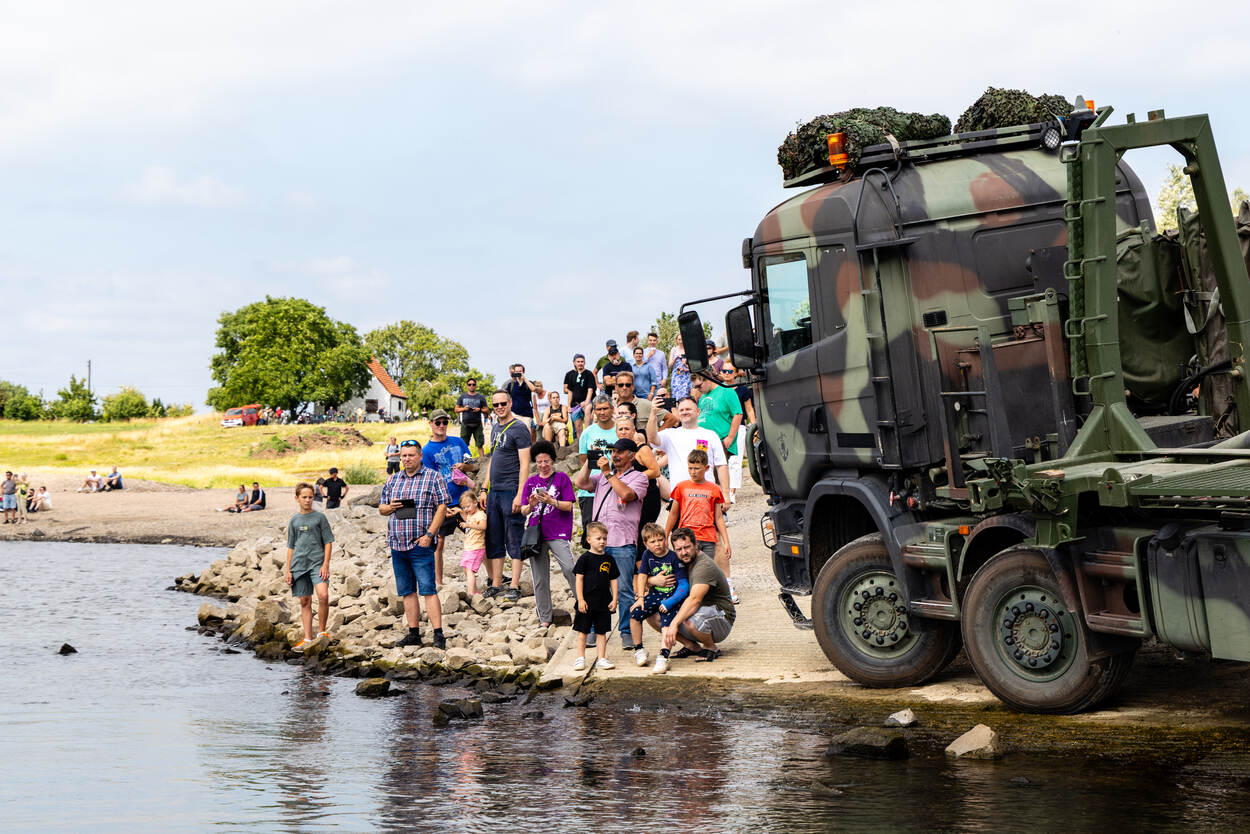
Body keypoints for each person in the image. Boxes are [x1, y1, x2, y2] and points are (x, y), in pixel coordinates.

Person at [573, 437, 648, 650]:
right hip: (599, 544)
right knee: (594, 588)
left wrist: (608, 473)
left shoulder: (639, 477)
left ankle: (626, 631)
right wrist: (590, 461)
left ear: (632, 456)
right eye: (613, 451)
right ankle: (593, 629)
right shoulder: (601, 476)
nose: (615, 455)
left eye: (620, 452)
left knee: (624, 589)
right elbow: (581, 483)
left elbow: (626, 494)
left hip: (623, 541)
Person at [379, 438, 450, 649]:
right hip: (397, 544)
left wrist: (430, 535)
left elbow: (442, 507)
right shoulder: (393, 480)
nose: (407, 459)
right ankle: (413, 633)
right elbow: (382, 508)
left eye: (411, 455)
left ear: (420, 456)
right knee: (407, 591)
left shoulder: (433, 477)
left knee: (428, 590)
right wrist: (390, 507)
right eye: (404, 456)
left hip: (421, 544)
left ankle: (438, 635)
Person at [519, 440, 577, 626]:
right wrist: (531, 505)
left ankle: (584, 606)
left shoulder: (562, 478)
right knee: (540, 578)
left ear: (552, 460)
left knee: (569, 568)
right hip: (536, 533)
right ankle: (544, 617)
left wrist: (552, 501)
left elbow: (569, 506)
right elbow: (523, 510)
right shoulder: (531, 482)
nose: (543, 465)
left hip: (558, 531)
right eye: (539, 462)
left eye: (546, 461)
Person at [659, 527, 736, 663]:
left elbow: (694, 600)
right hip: (700, 612)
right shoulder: (681, 562)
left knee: (690, 619)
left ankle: (711, 647)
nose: (684, 552)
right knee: (654, 614)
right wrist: (652, 580)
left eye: (687, 547)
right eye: (679, 549)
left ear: (696, 545)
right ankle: (691, 646)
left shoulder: (704, 566)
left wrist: (674, 624)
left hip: (722, 617)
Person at [666, 449, 734, 600]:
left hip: (708, 538)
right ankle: (687, 602)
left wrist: (726, 542)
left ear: (707, 468)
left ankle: (704, 603)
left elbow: (718, 518)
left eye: (697, 468)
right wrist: (666, 534)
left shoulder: (714, 489)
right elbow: (673, 513)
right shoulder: (681, 487)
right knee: (686, 572)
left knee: (703, 573)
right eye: (690, 468)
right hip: (686, 538)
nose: (693, 472)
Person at [483, 390, 532, 599]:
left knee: (514, 536)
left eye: (503, 403)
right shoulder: (495, 427)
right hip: (494, 491)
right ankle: (496, 583)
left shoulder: (519, 428)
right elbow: (492, 459)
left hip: (511, 489)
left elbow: (525, 464)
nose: (500, 407)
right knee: (494, 537)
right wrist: (484, 488)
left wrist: (520, 494)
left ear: (510, 403)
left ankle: (514, 584)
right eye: (496, 405)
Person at [629, 523, 689, 672]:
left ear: (665, 539)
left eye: (660, 540)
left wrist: (670, 602)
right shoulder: (647, 555)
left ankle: (663, 656)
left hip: (672, 596)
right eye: (652, 541)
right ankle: (639, 649)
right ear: (646, 544)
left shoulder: (673, 557)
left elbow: (684, 585)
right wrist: (641, 597)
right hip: (655, 594)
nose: (657, 544)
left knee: (666, 622)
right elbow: (642, 575)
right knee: (635, 614)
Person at [646, 395, 729, 503]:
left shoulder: (710, 435)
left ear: (698, 412)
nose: (684, 412)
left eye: (688, 409)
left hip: (706, 496)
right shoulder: (670, 434)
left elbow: (721, 465)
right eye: (681, 410)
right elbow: (651, 438)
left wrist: (726, 494)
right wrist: (653, 413)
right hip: (679, 498)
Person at [422, 408, 474, 581]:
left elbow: (472, 465)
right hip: (443, 504)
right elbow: (429, 481)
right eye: (438, 422)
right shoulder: (427, 451)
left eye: (444, 422)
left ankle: (491, 577)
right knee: (438, 543)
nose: (441, 425)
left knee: (476, 536)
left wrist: (463, 467)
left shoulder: (458, 441)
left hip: (464, 501)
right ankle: (438, 582)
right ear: (431, 424)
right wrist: (440, 507)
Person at [284, 482, 335, 651]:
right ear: (297, 498)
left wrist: (325, 565)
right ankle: (307, 638)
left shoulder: (320, 518)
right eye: (304, 497)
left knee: (323, 595)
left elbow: (328, 542)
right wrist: (288, 570)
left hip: (317, 564)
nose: (307, 500)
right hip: (299, 565)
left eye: (310, 497)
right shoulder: (294, 520)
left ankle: (321, 633)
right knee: (305, 601)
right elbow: (291, 546)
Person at [571, 521, 619, 671]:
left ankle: (601, 659)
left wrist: (615, 598)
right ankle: (580, 658)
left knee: (601, 632)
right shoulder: (584, 559)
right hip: (586, 602)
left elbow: (613, 579)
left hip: (603, 602)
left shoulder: (609, 559)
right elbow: (579, 579)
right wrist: (580, 599)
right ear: (589, 539)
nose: (602, 541)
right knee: (583, 631)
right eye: (598, 538)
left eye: (604, 538)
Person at [575, 394, 619, 548]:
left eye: (605, 408)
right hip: (590, 490)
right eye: (598, 409)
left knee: (612, 533)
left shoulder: (619, 430)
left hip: (614, 486)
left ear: (612, 409)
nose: (602, 412)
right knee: (592, 534)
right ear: (594, 411)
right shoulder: (588, 433)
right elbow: (583, 460)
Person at [455, 490, 488, 596]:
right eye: (463, 507)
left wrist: (468, 525)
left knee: (469, 570)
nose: (466, 509)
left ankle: (471, 593)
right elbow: (467, 519)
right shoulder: (470, 514)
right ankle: (475, 591)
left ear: (475, 502)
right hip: (469, 547)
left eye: (468, 507)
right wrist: (460, 512)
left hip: (477, 547)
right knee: (466, 569)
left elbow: (483, 527)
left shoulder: (480, 515)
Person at [563, 354, 597, 441]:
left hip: (587, 402)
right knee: (578, 427)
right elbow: (570, 392)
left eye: (582, 361)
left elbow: (590, 390)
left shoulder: (589, 374)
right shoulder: (571, 375)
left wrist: (586, 402)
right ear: (574, 363)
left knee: (588, 409)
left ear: (584, 363)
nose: (580, 363)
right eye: (578, 362)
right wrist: (569, 405)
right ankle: (580, 444)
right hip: (575, 405)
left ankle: (588, 434)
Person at [455, 377, 490, 456]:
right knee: (464, 445)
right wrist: (464, 409)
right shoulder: (462, 396)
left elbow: (486, 409)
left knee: (480, 445)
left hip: (477, 424)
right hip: (465, 424)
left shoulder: (480, 397)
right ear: (467, 386)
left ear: (476, 386)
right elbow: (456, 409)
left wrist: (479, 409)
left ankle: (482, 461)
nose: (471, 386)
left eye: (473, 384)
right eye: (469, 384)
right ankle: (464, 460)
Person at [504, 363, 536, 436]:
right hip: (514, 413)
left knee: (526, 434)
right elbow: (506, 397)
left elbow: (533, 389)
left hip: (526, 414)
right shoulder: (511, 385)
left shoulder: (528, 383)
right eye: (516, 371)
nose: (518, 373)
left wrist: (524, 379)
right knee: (514, 434)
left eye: (520, 371)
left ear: (523, 372)